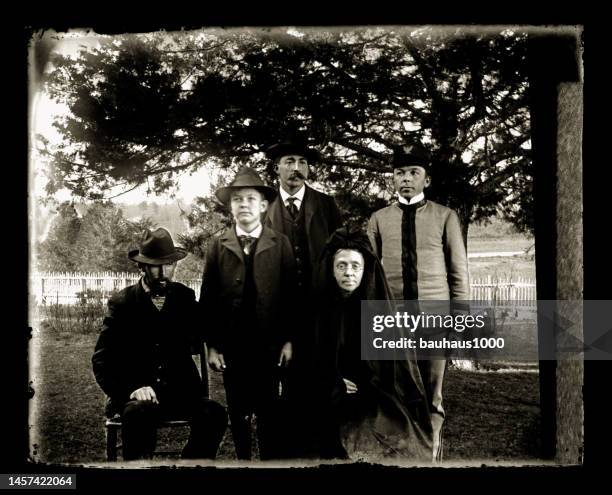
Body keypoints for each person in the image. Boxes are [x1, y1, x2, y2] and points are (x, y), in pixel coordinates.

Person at [367, 144, 470, 461]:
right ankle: (404, 454)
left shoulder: (445, 217)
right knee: (397, 392)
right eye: (400, 173)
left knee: (432, 395)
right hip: (395, 324)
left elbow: (458, 272)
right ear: (393, 179)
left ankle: (430, 455)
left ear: (426, 180)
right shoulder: (379, 219)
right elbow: (370, 277)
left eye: (414, 173)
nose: (406, 179)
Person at [92, 227, 228, 461]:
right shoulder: (123, 303)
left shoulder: (184, 297)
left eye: (169, 265)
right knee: (137, 414)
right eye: (156, 265)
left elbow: (207, 326)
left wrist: (214, 345)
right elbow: (102, 359)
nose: (163, 272)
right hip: (140, 398)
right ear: (142, 266)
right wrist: (131, 390)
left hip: (181, 393)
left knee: (214, 414)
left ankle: (191, 464)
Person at [199, 166, 298, 460]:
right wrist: (213, 346)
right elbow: (209, 300)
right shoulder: (219, 245)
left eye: (250, 199)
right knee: (238, 411)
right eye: (237, 199)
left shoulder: (280, 244)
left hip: (269, 346)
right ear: (231, 206)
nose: (244, 205)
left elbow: (291, 297)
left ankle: (269, 461)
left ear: (264, 205)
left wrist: (289, 340)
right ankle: (243, 460)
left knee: (270, 411)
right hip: (233, 348)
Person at [312, 226, 433, 461]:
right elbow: (310, 363)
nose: (349, 273)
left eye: (355, 266)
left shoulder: (379, 311)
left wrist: (367, 386)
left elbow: (393, 372)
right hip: (328, 398)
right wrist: (334, 383)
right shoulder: (318, 311)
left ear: (365, 269)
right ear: (331, 269)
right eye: (341, 266)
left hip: (372, 397)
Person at [263, 140, 343, 457]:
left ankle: (322, 448)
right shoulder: (264, 209)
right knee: (284, 382)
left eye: (302, 162)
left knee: (321, 378)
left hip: (320, 311)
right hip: (279, 312)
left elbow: (341, 254)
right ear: (276, 168)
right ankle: (286, 451)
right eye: (289, 161)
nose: (296, 168)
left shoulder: (326, 206)